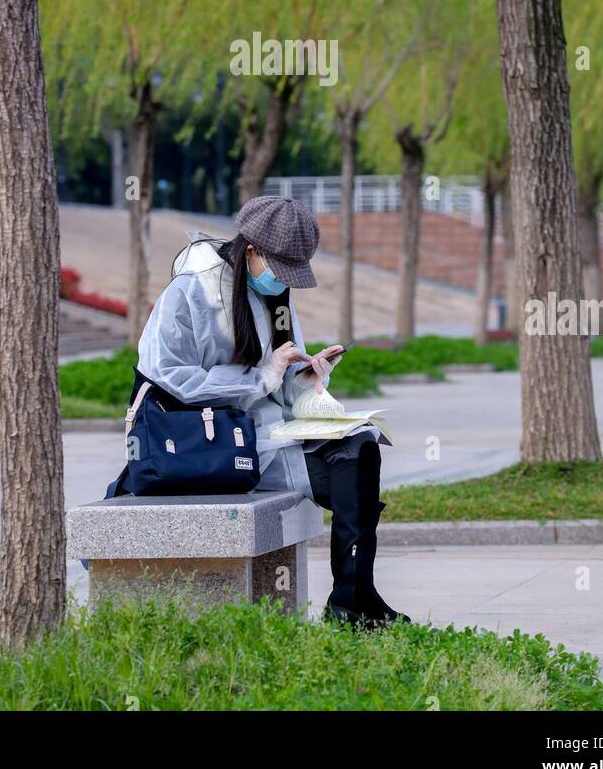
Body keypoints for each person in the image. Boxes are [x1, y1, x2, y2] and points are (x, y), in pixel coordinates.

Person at [136, 193, 410, 628]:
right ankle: (352, 606)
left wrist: (305, 379)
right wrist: (260, 378)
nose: (284, 284)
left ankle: (354, 596)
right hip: (203, 444)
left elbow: (277, 388)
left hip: (263, 436)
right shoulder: (191, 290)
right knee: (349, 468)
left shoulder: (273, 295)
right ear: (251, 250)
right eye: (281, 270)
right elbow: (168, 377)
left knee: (361, 445)